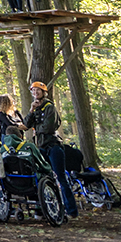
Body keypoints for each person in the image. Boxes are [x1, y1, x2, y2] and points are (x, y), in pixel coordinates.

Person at [24, 80, 78, 218]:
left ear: (44, 92)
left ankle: (71, 210)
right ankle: (45, 208)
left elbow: (49, 127)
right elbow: (26, 125)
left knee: (60, 177)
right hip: (41, 147)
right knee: (42, 178)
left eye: (38, 90)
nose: (35, 93)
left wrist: (36, 130)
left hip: (53, 146)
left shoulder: (49, 107)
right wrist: (31, 111)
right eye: (33, 91)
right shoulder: (35, 108)